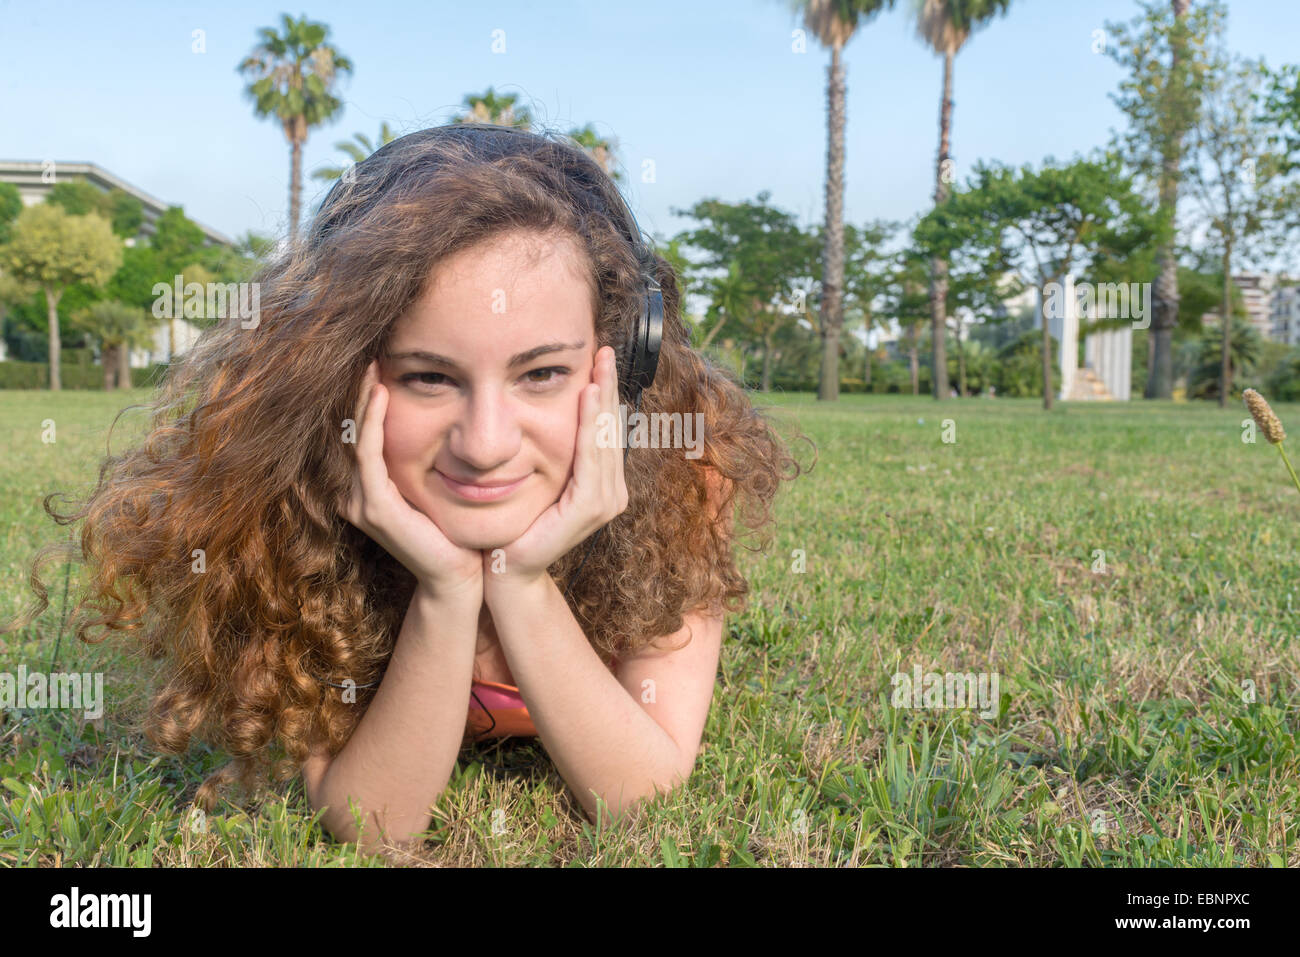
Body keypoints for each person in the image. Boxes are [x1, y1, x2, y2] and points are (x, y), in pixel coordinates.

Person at [4, 124, 805, 854]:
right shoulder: (281, 511)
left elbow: (641, 798)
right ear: (345, 382)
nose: (486, 443)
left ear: (620, 370)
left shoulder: (684, 476)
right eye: (428, 377)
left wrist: (521, 582)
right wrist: (449, 588)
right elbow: (371, 820)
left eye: (543, 373)